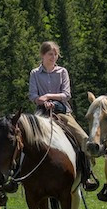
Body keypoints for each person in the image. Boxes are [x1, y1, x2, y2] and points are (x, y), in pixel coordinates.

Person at [28, 41, 98, 192]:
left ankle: (87, 174)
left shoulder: (62, 72)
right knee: (28, 139)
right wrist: (42, 100)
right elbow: (33, 95)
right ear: (42, 55)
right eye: (50, 54)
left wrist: (48, 96)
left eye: (55, 54)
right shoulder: (34, 73)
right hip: (41, 113)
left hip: (62, 112)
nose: (53, 57)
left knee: (83, 137)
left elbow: (66, 94)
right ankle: (22, 174)